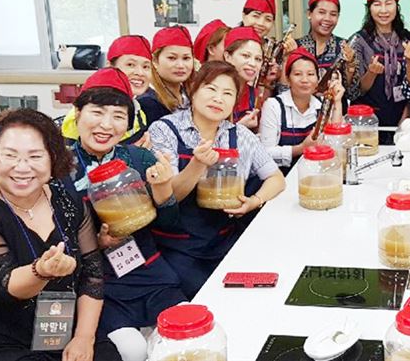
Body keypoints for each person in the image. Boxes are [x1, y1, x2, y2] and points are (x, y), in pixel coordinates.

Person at [0, 108, 121, 361]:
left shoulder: (68, 201)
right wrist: (42, 271)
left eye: (35, 156)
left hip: (61, 325)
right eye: (9, 155)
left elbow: (92, 276)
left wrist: (84, 337)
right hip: (0, 340)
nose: (22, 167)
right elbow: (6, 284)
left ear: (53, 158)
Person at [65, 69, 186, 361]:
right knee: (133, 350)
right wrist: (95, 243)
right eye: (97, 112)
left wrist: (162, 189)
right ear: (78, 114)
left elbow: (169, 225)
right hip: (98, 284)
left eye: (118, 116)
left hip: (149, 272)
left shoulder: (139, 159)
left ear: (128, 124)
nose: (106, 125)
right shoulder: (60, 168)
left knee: (181, 339)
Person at [147, 61, 284, 296]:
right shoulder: (165, 130)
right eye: (211, 89)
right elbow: (168, 197)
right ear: (194, 90)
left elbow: (276, 178)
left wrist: (254, 201)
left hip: (224, 239)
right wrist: (197, 164)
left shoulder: (240, 134)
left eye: (228, 93)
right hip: (176, 246)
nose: (218, 98)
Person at [260, 48, 345, 173]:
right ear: (288, 78)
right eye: (297, 74)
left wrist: (337, 101)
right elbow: (265, 153)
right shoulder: (273, 106)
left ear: (317, 79)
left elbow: (336, 142)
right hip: (282, 176)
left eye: (310, 74)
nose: (305, 80)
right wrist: (301, 148)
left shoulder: (322, 105)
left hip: (316, 173)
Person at [61, 35, 153, 146]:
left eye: (146, 67)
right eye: (130, 65)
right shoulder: (80, 116)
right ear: (109, 66)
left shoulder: (139, 111)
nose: (140, 73)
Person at [349, 0, 410, 130]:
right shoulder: (359, 41)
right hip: (367, 120)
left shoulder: (407, 39)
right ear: (369, 8)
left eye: (388, 3)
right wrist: (372, 73)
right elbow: (355, 91)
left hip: (402, 117)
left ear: (396, 6)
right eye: (377, 4)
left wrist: (406, 118)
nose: (384, 10)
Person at [295, 0, 359, 96]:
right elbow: (283, 91)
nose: (327, 19)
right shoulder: (295, 46)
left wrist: (350, 66)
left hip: (336, 106)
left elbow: (352, 93)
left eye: (333, 14)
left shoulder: (345, 47)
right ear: (309, 14)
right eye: (321, 12)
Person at [139, 26, 194, 127]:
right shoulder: (148, 102)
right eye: (172, 58)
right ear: (155, 61)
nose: (180, 65)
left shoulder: (189, 94)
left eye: (186, 58)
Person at [221, 26, 267, 128]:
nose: (253, 64)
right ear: (227, 56)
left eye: (258, 59)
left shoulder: (254, 96)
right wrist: (240, 127)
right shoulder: (214, 93)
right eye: (246, 56)